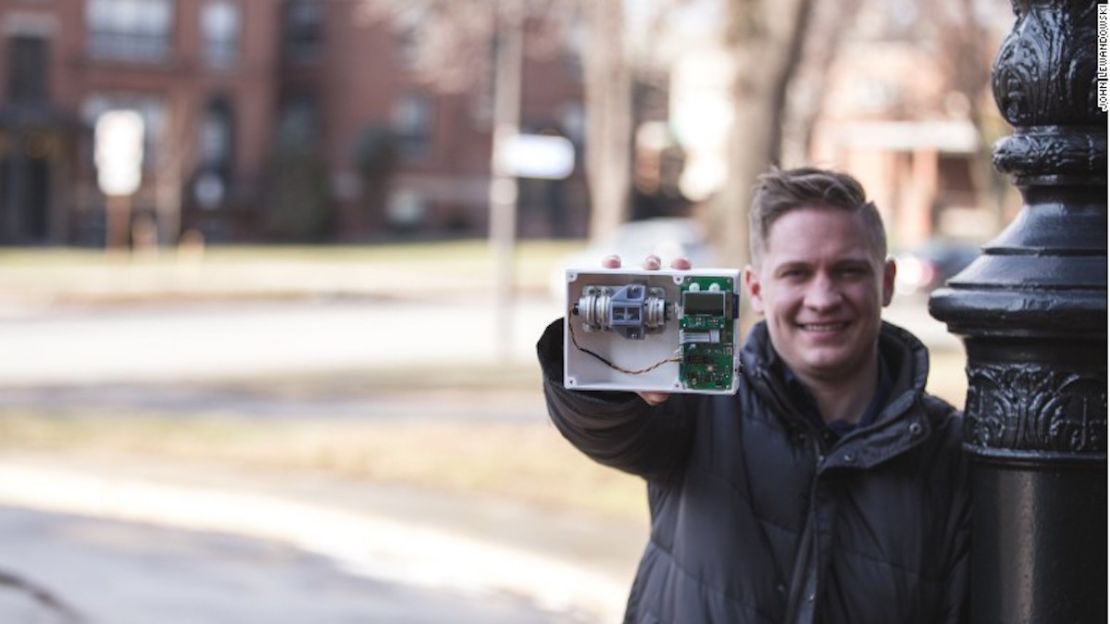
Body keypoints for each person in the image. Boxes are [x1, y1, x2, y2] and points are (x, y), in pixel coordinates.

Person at [536, 167, 969, 623]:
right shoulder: (696, 403)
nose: (822, 297)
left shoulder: (946, 449)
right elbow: (603, 428)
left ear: (886, 281)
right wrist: (608, 369)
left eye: (847, 270)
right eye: (796, 273)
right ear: (757, 289)